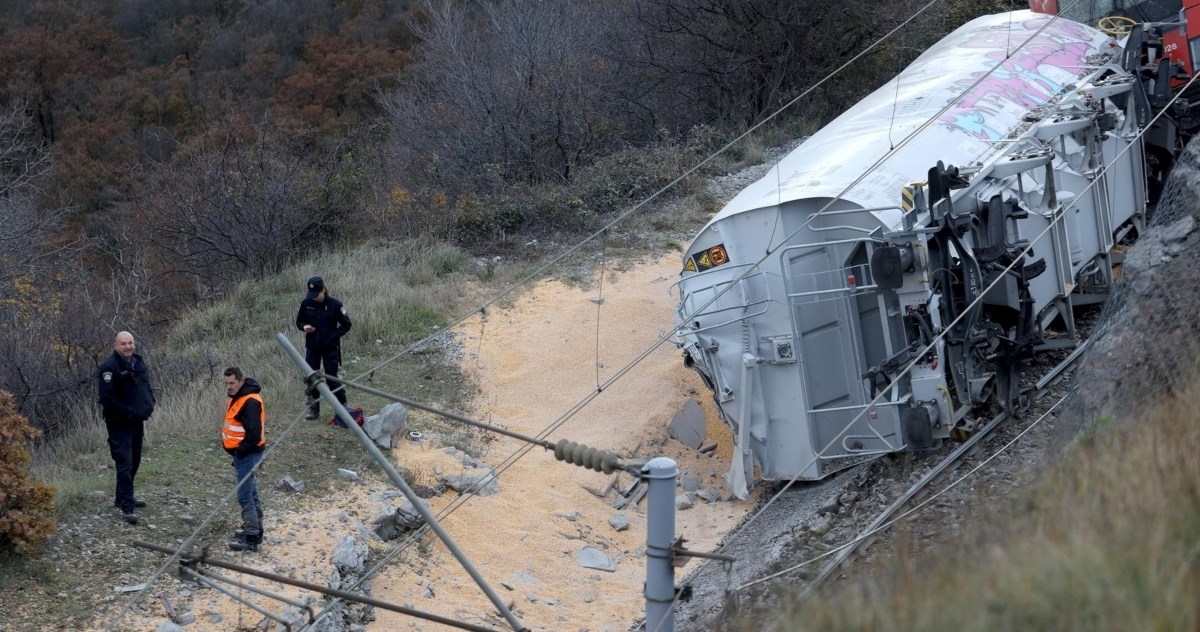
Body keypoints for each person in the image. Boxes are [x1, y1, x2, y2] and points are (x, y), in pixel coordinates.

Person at [98, 331, 156, 525]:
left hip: (136, 421)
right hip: (119, 423)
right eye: (124, 344)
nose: (128, 347)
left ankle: (121, 497)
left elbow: (145, 386)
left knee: (136, 459)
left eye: (130, 343)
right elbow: (106, 399)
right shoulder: (109, 367)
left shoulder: (137, 362)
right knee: (124, 462)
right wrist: (128, 411)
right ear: (116, 345)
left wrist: (149, 403)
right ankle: (127, 507)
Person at [295, 276, 352, 420]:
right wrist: (304, 327)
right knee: (311, 377)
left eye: (317, 295)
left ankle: (342, 407)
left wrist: (333, 335)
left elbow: (346, 324)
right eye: (311, 295)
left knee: (331, 379)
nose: (314, 298)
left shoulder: (335, 304)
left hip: (330, 347)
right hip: (312, 346)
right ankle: (314, 410)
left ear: (323, 291)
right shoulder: (306, 303)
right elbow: (299, 321)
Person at [222, 367, 266, 552]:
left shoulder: (249, 401)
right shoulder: (239, 397)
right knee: (252, 492)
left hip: (248, 454)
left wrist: (240, 451)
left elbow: (254, 434)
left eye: (232, 383)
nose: (229, 387)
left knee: (245, 496)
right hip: (244, 454)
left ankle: (252, 537)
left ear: (241, 381)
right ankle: (256, 529)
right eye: (226, 383)